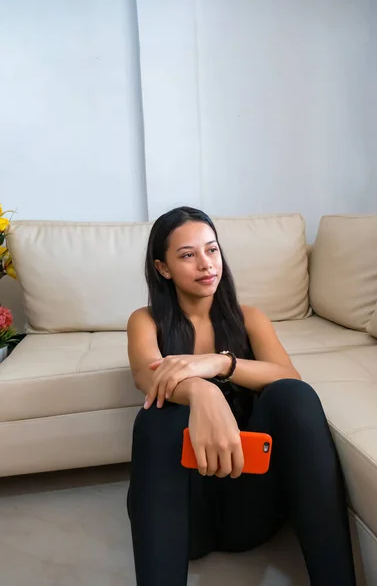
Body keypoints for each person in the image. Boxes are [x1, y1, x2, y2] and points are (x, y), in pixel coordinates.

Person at [126, 206, 356, 586]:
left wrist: (218, 364)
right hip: (182, 517)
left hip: (249, 509)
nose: (205, 264)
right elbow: (146, 376)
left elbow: (289, 376)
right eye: (188, 255)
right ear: (163, 268)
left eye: (211, 250)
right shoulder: (146, 321)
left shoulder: (249, 318)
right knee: (159, 413)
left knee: (292, 396)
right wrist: (202, 393)